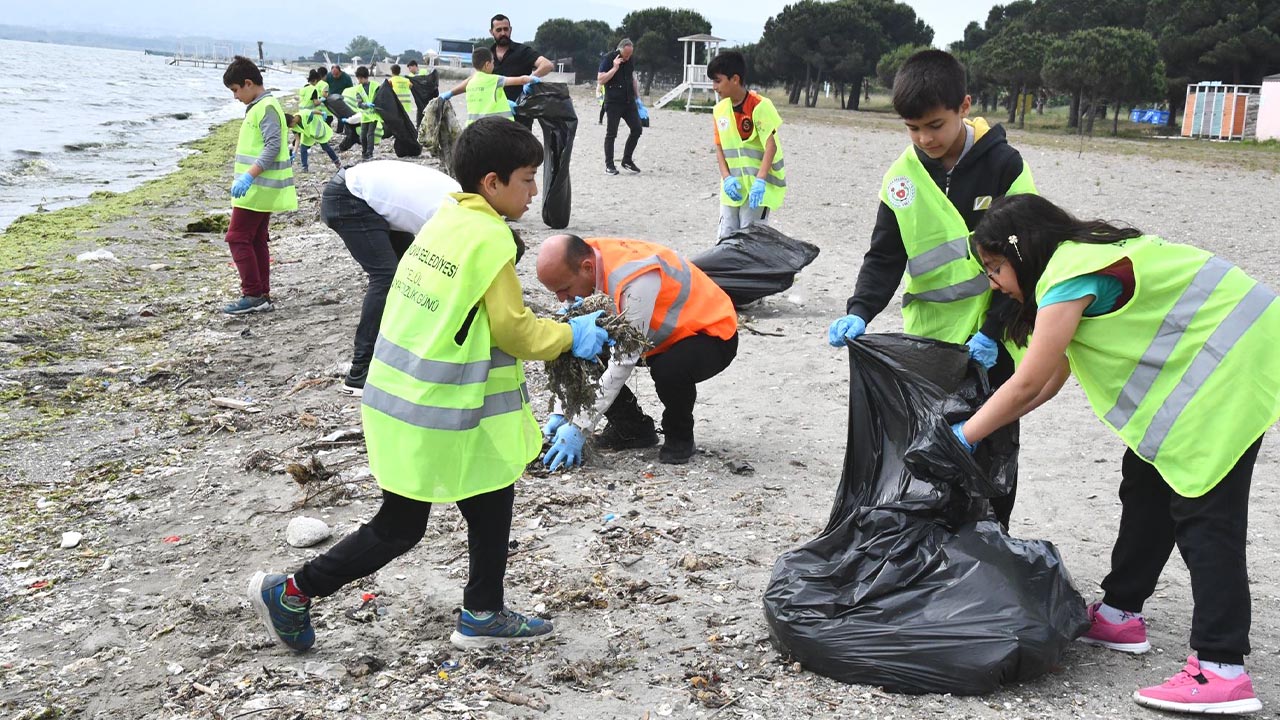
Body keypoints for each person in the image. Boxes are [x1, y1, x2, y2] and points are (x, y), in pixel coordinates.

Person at [247, 118, 613, 653]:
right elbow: (514, 330)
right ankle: (294, 592)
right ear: (492, 183)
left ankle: (483, 611)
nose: (535, 191)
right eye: (527, 179)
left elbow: (476, 314)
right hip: (435, 411)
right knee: (400, 526)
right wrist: (568, 336)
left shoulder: (446, 219)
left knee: (491, 495)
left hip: (403, 398)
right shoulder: (491, 237)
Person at [953, 193, 1277, 715]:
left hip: (1232, 364)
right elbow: (1047, 382)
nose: (994, 283)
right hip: (1222, 356)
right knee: (1145, 485)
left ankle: (1222, 669)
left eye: (995, 269)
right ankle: (1122, 614)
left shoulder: (1066, 277)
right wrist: (980, 427)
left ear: (1023, 251)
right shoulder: (1080, 258)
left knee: (1205, 513)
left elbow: (1030, 380)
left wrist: (964, 434)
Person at [825, 49, 1035, 528]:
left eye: (935, 125)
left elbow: (1029, 255)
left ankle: (990, 536)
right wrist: (861, 308)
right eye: (912, 128)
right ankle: (939, 532)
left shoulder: (1003, 166)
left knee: (991, 440)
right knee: (931, 438)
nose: (925, 139)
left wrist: (994, 328)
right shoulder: (901, 178)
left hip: (991, 338)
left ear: (964, 105)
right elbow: (885, 256)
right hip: (931, 339)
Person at [536, 234, 739, 465]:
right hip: (660, 337)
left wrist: (580, 426)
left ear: (587, 267)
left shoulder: (636, 280)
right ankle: (632, 429)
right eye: (556, 292)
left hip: (711, 333)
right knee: (583, 341)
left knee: (669, 369)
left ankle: (680, 436)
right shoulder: (582, 259)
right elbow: (575, 348)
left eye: (564, 289)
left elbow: (624, 358)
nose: (562, 299)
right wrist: (561, 411)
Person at [320, 160, 461, 394]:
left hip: (368, 196)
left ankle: (400, 353)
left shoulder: (462, 205)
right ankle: (359, 373)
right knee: (387, 277)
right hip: (348, 198)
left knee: (412, 273)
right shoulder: (449, 218)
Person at [220, 56, 296, 315]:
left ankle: (252, 294)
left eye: (235, 90)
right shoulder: (262, 106)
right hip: (260, 188)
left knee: (237, 238)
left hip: (257, 187)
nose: (235, 97)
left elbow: (273, 146)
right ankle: (261, 292)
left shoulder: (267, 107)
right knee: (255, 239)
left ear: (248, 83)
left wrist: (248, 176)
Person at [707, 51, 786, 240]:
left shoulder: (760, 106)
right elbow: (719, 147)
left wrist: (760, 181)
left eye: (718, 81)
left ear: (735, 79)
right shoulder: (720, 111)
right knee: (725, 238)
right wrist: (726, 178)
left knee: (750, 241)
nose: (714, 87)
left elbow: (771, 146)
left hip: (756, 190)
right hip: (732, 188)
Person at [439, 48, 538, 127]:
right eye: (493, 62)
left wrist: (450, 93)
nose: (494, 65)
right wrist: (532, 80)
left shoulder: (471, 82)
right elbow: (520, 80)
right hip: (496, 127)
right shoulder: (495, 80)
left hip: (472, 128)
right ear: (487, 65)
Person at [488, 13, 553, 130]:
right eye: (499, 30)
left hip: (521, 115)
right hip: (494, 115)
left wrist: (531, 79)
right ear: (491, 32)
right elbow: (477, 79)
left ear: (510, 30)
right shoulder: (487, 55)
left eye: (506, 29)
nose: (503, 33)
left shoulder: (523, 52)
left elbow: (547, 65)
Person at [598, 39, 642, 176]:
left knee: (637, 129)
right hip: (613, 102)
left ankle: (627, 160)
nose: (627, 57)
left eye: (630, 55)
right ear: (620, 49)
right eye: (626, 55)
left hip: (629, 102)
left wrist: (638, 97)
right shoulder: (608, 58)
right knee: (611, 133)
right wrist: (614, 68)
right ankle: (609, 165)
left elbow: (632, 78)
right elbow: (601, 79)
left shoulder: (631, 60)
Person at [344, 66, 381, 160]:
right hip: (365, 115)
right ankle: (364, 152)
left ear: (365, 77)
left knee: (370, 134)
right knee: (363, 135)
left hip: (374, 115)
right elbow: (359, 104)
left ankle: (369, 152)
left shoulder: (375, 86)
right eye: (358, 78)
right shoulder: (359, 89)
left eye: (360, 78)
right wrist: (366, 105)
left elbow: (381, 97)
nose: (359, 80)